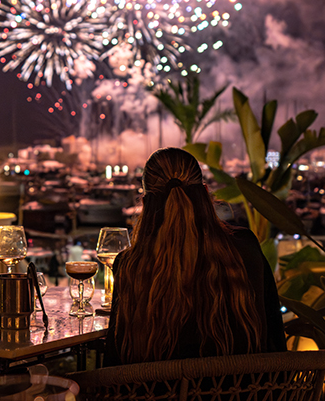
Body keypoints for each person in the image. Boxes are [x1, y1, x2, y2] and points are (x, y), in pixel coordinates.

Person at [105, 148, 286, 366]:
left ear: (146, 202)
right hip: (244, 392)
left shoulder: (130, 265)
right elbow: (274, 338)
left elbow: (116, 356)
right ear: (205, 192)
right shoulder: (245, 247)